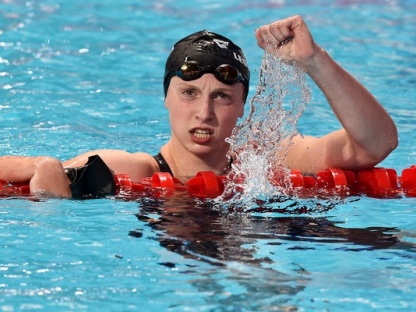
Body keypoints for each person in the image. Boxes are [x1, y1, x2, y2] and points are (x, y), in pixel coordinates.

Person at [0, 15, 398, 198]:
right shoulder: (132, 169)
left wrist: (315, 61)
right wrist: (39, 166)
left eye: (221, 96)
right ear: (167, 98)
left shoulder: (269, 161)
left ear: (242, 105)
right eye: (189, 93)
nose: (204, 113)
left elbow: (374, 144)